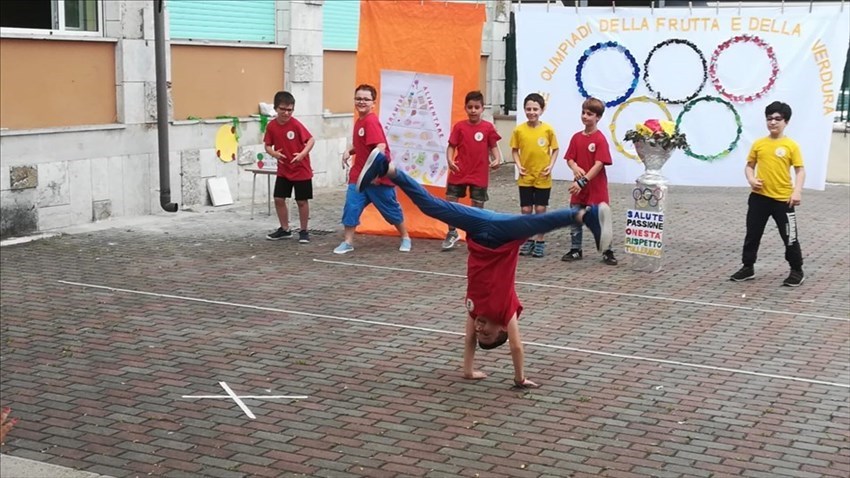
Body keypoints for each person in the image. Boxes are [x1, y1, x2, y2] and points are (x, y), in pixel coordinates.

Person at [356, 150, 613, 388]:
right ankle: (585, 215)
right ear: (501, 328)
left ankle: (388, 169)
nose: (480, 330)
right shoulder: (506, 312)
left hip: (479, 230)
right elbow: (516, 347)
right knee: (537, 222)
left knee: (432, 207)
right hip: (502, 233)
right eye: (487, 334)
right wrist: (519, 378)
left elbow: (468, 341)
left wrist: (468, 371)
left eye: (481, 334)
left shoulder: (473, 309)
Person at [731, 101, 806, 287]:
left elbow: (800, 171)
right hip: (759, 199)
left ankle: (797, 270)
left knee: (790, 236)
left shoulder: (791, 146)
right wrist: (751, 179)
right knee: (752, 234)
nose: (773, 122)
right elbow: (749, 166)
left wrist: (797, 191)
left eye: (777, 119)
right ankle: (748, 267)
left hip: (783, 200)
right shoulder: (759, 144)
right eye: (769, 118)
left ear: (786, 122)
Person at [335, 84, 411, 254]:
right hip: (358, 176)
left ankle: (405, 237)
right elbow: (362, 145)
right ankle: (348, 241)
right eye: (358, 98)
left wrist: (376, 173)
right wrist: (349, 151)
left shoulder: (371, 121)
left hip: (377, 179)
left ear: (373, 103)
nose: (361, 102)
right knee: (351, 207)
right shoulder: (359, 121)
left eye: (366, 99)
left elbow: (380, 147)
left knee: (391, 211)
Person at [442, 90, 503, 250]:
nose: (473, 110)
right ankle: (452, 232)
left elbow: (494, 147)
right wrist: (449, 160)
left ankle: (476, 234)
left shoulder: (488, 128)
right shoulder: (459, 127)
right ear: (465, 108)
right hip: (459, 172)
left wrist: (496, 159)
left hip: (479, 174)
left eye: (477, 107)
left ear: (483, 108)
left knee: (477, 205)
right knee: (451, 202)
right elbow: (451, 146)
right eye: (470, 107)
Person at [562, 97, 618, 265]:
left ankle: (607, 250)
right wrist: (574, 168)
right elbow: (570, 158)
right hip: (580, 189)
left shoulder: (600, 139)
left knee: (601, 218)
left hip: (595, 187)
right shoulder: (576, 138)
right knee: (575, 216)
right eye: (583, 113)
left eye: (590, 114)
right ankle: (576, 249)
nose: (585, 116)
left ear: (598, 117)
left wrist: (583, 181)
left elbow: (599, 164)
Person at [510, 93, 559, 258]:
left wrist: (550, 166)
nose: (532, 112)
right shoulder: (519, 130)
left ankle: (540, 239)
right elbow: (514, 150)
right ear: (524, 110)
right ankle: (528, 238)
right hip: (526, 176)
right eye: (528, 109)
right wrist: (518, 165)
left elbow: (555, 149)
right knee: (525, 209)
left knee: (540, 208)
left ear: (542, 110)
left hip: (542, 177)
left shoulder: (548, 130)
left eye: (535, 109)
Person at [263, 91, 316, 243]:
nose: (286, 113)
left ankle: (304, 230)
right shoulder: (272, 126)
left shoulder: (296, 124)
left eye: (290, 110)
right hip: (284, 169)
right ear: (275, 108)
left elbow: (311, 140)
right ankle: (285, 229)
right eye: (283, 109)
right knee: (279, 198)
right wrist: (274, 154)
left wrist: (302, 154)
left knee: (301, 201)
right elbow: (267, 145)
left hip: (301, 169)